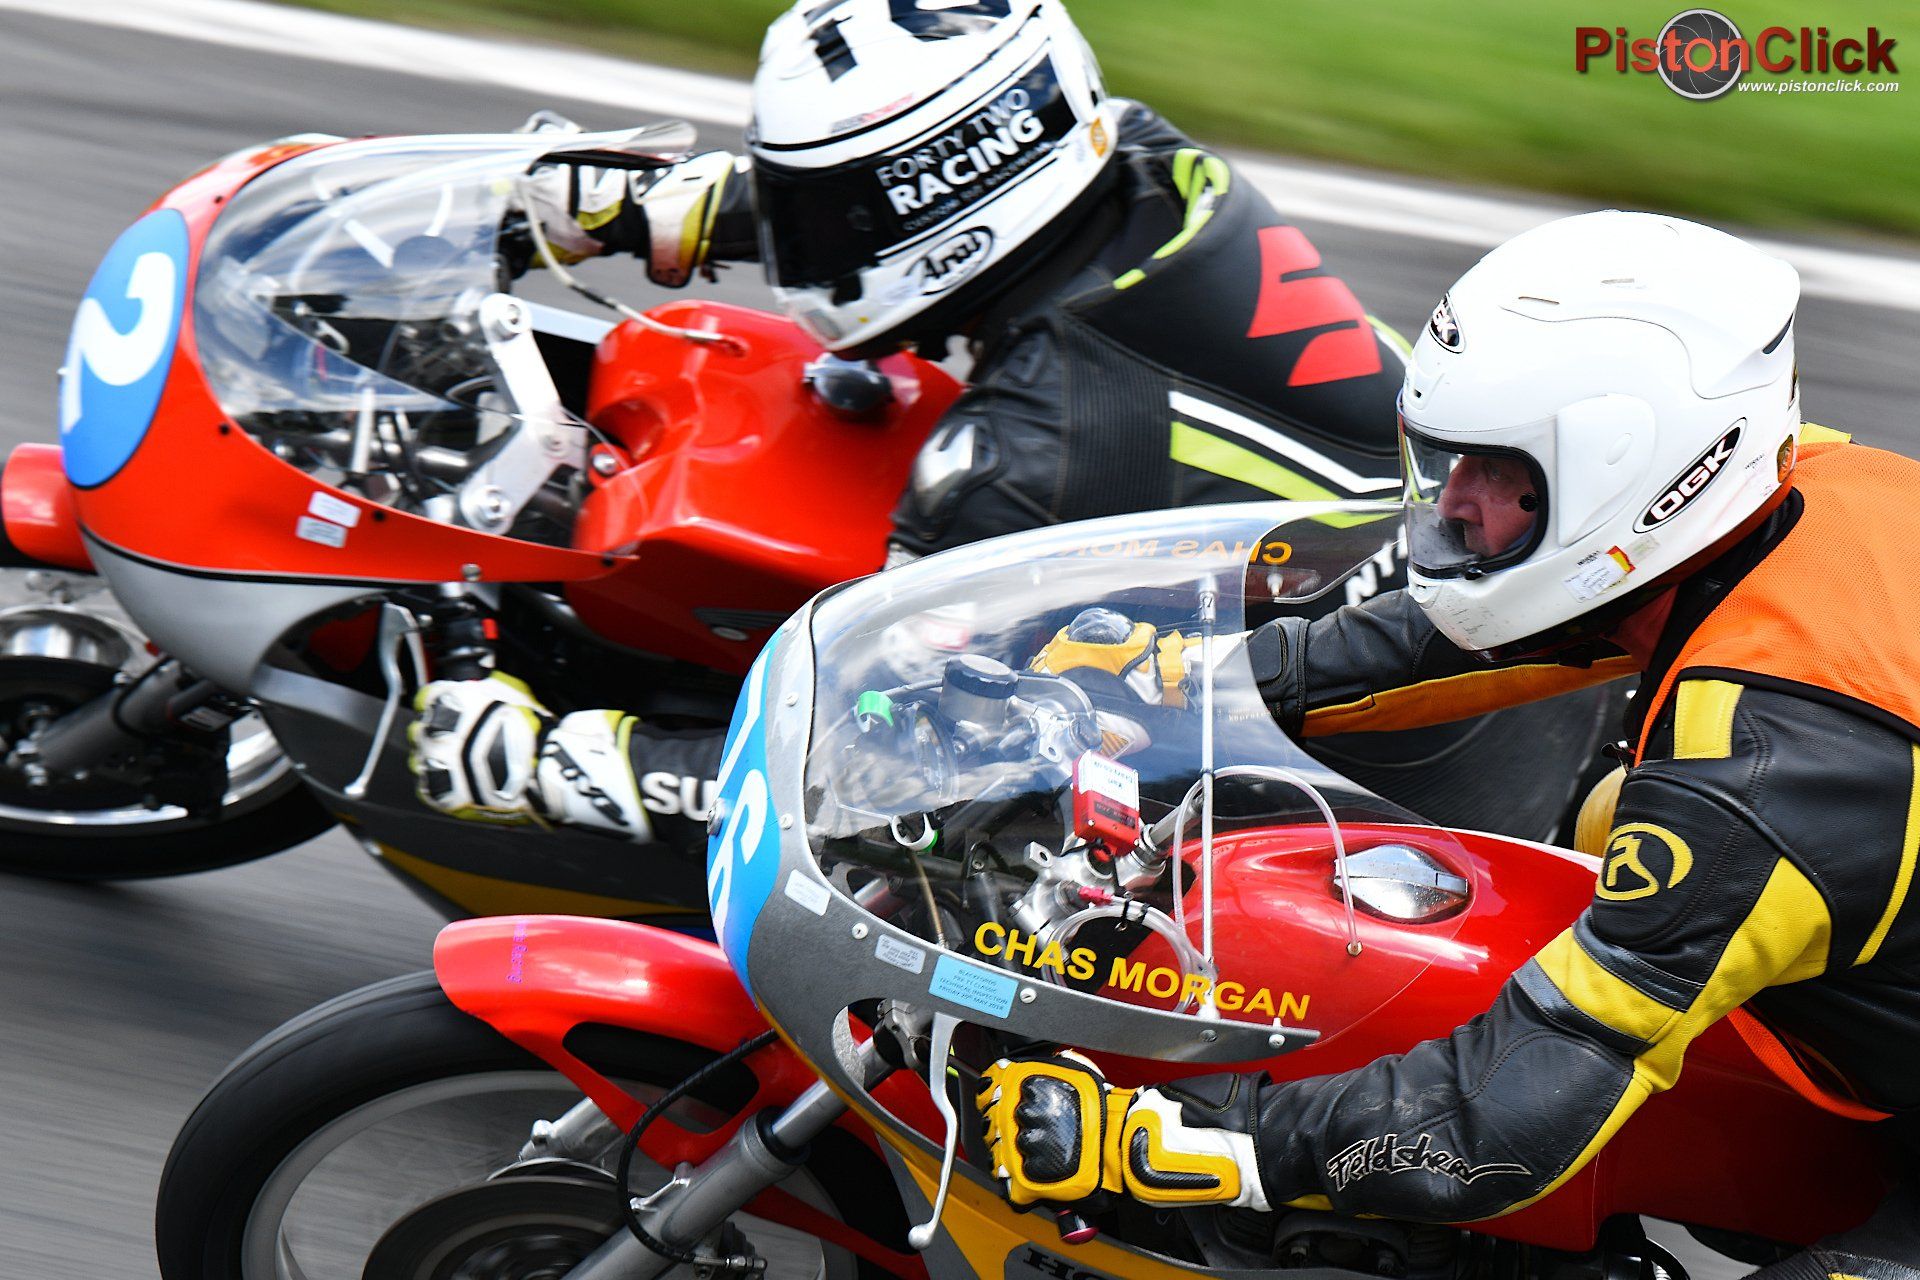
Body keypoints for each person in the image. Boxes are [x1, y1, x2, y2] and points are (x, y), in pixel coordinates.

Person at [410, 0, 1617, 849]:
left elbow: (871, 771)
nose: (803, 240)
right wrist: (657, 210)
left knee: (945, 844)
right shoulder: (1141, 161)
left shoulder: (1021, 456)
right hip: (1513, 638)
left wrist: (576, 763)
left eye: (813, 210)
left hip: (1406, 786)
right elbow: (904, 200)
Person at [975, 211, 1920, 1280]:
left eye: (1493, 471)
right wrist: (1184, 680)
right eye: (1448, 460)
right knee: (1615, 822)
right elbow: (1479, 621)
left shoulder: (1756, 774)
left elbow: (1495, 1118)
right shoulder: (1806, 495)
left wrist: (1188, 1139)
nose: (1453, 504)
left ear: (1628, 472)